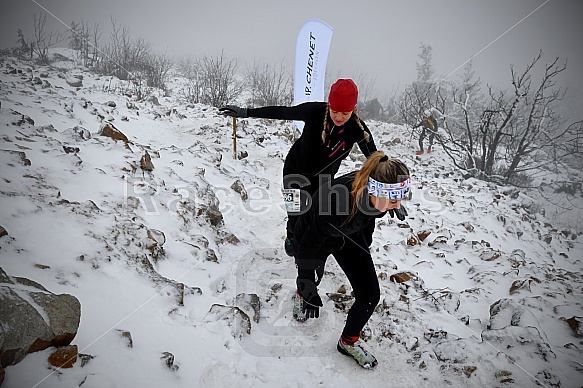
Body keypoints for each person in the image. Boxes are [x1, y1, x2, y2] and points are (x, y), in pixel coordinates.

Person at [219, 79, 377, 256]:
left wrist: (392, 189)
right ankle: (291, 235)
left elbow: (377, 160)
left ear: (353, 110)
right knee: (296, 215)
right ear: (329, 105)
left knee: (315, 216)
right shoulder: (314, 111)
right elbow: (282, 112)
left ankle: (310, 256)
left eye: (345, 113)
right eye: (335, 111)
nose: (339, 117)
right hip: (295, 171)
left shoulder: (358, 129)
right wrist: (246, 112)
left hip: (323, 179)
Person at [291, 151, 410, 368]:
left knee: (370, 295)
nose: (397, 203)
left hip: (349, 236)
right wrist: (305, 282)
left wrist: (392, 206)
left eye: (401, 197)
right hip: (316, 236)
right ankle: (301, 294)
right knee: (312, 277)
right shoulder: (337, 201)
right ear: (375, 190)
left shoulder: (377, 194)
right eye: (394, 198)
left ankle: (348, 342)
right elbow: (309, 244)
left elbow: (371, 215)